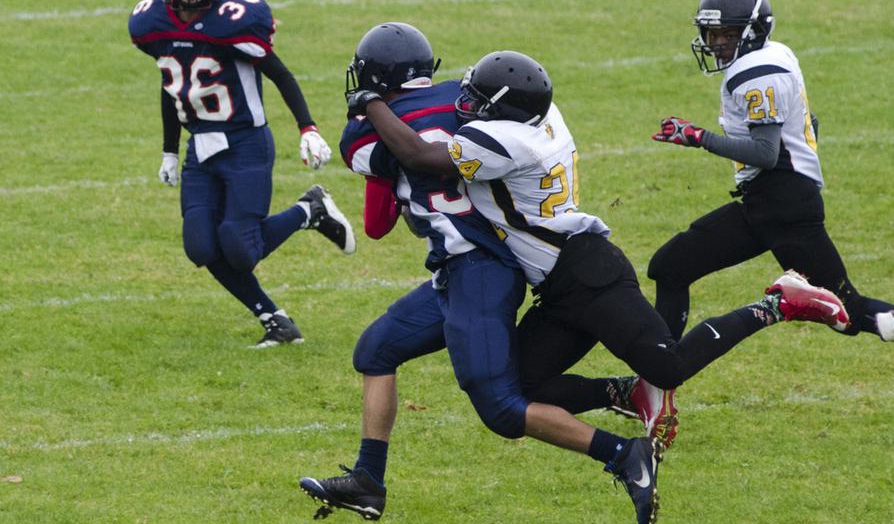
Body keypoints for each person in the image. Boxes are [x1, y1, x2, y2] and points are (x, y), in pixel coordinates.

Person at [348, 49, 852, 523]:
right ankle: (625, 394)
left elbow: (417, 154)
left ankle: (777, 303)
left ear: (506, 112)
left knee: (668, 364)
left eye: (479, 103)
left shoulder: (503, 142)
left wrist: (371, 101)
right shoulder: (543, 119)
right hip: (559, 284)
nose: (465, 107)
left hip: (590, 275)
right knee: (521, 390)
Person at [300, 24, 673, 524]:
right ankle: (368, 482)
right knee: (376, 350)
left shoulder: (366, 134)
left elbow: (378, 210)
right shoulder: (465, 97)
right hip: (462, 269)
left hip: (477, 269)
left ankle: (624, 455)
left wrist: (369, 109)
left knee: (501, 409)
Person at [128, 0, 355, 347]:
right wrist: (169, 150)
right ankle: (276, 321)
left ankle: (311, 210)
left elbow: (280, 74)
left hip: (246, 145)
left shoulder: (234, 19)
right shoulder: (153, 22)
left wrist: (308, 127)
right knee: (200, 245)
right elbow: (173, 84)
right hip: (200, 146)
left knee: (239, 247)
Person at [648, 0, 894, 342]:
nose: (716, 43)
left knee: (850, 311)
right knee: (669, 267)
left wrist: (699, 137)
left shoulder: (758, 73)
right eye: (712, 34)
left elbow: (765, 153)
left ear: (753, 32)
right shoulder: (774, 55)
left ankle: (658, 370)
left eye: (727, 34)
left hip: (783, 205)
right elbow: (809, 125)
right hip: (768, 204)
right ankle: (657, 371)